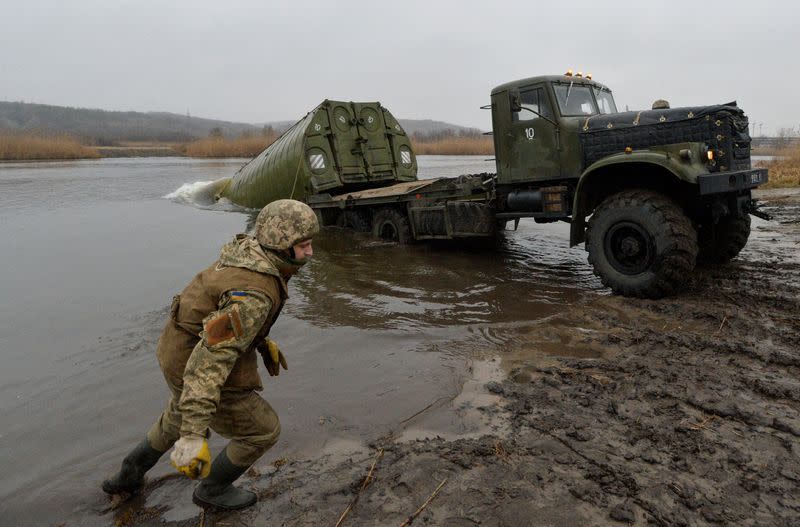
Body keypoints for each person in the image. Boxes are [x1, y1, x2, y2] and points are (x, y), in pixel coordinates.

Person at [102, 199, 319, 510]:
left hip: (174, 347)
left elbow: (219, 313)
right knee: (262, 430)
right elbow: (209, 364)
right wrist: (193, 436)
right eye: (304, 245)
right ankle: (213, 490)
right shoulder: (254, 295)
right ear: (281, 245)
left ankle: (127, 476)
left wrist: (258, 340)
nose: (310, 252)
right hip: (193, 358)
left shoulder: (250, 252)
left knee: (176, 415)